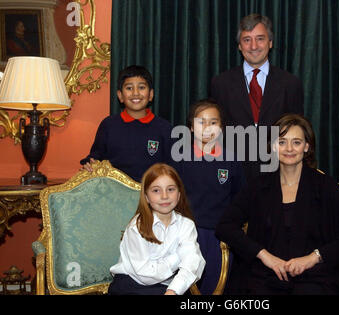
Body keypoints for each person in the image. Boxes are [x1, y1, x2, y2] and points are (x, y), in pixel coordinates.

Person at [215, 113, 339, 295]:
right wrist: (264, 255)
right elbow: (225, 226)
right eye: (282, 142)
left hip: (316, 277)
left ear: (307, 146)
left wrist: (314, 257)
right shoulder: (257, 187)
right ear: (273, 146)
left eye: (296, 142)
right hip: (263, 276)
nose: (289, 148)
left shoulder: (325, 186)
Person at [210, 13, 304, 181]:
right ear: (239, 45)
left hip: (278, 176)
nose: (253, 46)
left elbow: (298, 133)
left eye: (260, 39)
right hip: (232, 177)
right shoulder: (220, 84)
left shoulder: (290, 84)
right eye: (247, 40)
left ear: (270, 42)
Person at [176, 98, 245, 294]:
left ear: (221, 127)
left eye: (213, 122)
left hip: (219, 237)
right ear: (191, 127)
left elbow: (239, 199)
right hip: (187, 233)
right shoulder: (180, 159)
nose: (207, 127)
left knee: (217, 287)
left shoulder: (231, 160)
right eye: (201, 122)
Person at [108, 163, 205, 295]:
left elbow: (193, 263)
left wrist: (173, 290)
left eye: (170, 189)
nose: (164, 196)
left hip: (168, 285)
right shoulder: (137, 226)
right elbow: (144, 274)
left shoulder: (186, 225)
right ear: (146, 197)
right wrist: (178, 257)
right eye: (156, 190)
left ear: (179, 194)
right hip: (131, 284)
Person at [80, 65, 174, 182]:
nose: (135, 93)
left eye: (141, 87)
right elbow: (96, 156)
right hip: (115, 191)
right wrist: (90, 164)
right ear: (120, 96)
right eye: (129, 88)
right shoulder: (108, 125)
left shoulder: (164, 128)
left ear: (150, 95)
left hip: (152, 193)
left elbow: (172, 168)